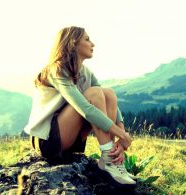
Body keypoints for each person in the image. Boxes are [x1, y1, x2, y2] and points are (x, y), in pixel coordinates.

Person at [24, 26, 136, 186]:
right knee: (94, 93)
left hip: (69, 137)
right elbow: (85, 109)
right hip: (47, 140)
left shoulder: (86, 72)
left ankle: (112, 158)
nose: (93, 44)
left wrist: (122, 133)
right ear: (73, 43)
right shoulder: (56, 70)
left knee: (108, 93)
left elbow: (110, 102)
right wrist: (121, 134)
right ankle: (109, 156)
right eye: (87, 39)